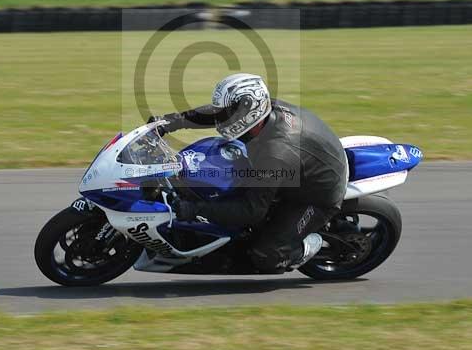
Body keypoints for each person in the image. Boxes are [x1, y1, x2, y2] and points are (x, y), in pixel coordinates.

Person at [149, 73, 348, 273]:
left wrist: (195, 209)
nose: (220, 117)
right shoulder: (261, 111)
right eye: (223, 111)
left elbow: (251, 211)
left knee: (266, 255)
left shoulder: (274, 154)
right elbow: (215, 113)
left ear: (248, 112)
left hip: (317, 193)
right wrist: (168, 123)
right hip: (305, 162)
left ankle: (308, 246)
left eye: (227, 113)